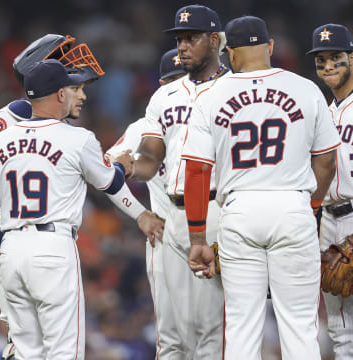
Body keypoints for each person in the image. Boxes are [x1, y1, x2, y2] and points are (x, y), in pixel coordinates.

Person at [0, 33, 164, 359]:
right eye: (73, 84)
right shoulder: (56, 133)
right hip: (23, 239)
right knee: (58, 349)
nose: (81, 92)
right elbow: (108, 180)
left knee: (25, 348)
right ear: (55, 91)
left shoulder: (9, 130)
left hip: (13, 243)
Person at [181, 16, 341, 360]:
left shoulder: (211, 96)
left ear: (230, 52)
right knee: (299, 324)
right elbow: (326, 161)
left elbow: (195, 172)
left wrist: (197, 238)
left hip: (240, 210)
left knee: (242, 324)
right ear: (269, 47)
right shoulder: (305, 88)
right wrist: (312, 210)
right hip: (292, 205)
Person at [129, 4, 230, 359]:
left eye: (191, 38)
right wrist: (128, 168)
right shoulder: (163, 95)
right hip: (173, 216)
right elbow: (152, 156)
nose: (182, 46)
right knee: (176, 328)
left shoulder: (234, 90)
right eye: (179, 39)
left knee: (210, 328)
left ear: (214, 40)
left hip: (218, 209)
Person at [107, 48, 187, 359]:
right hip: (165, 237)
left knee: (215, 332)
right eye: (173, 82)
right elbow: (106, 170)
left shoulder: (213, 118)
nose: (180, 88)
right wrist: (140, 214)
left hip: (212, 236)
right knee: (168, 338)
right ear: (161, 85)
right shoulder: (143, 127)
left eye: (186, 79)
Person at [307, 23, 353, 359]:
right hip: (330, 221)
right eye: (321, 60)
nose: (328, 66)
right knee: (339, 326)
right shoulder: (325, 112)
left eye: (335, 57)